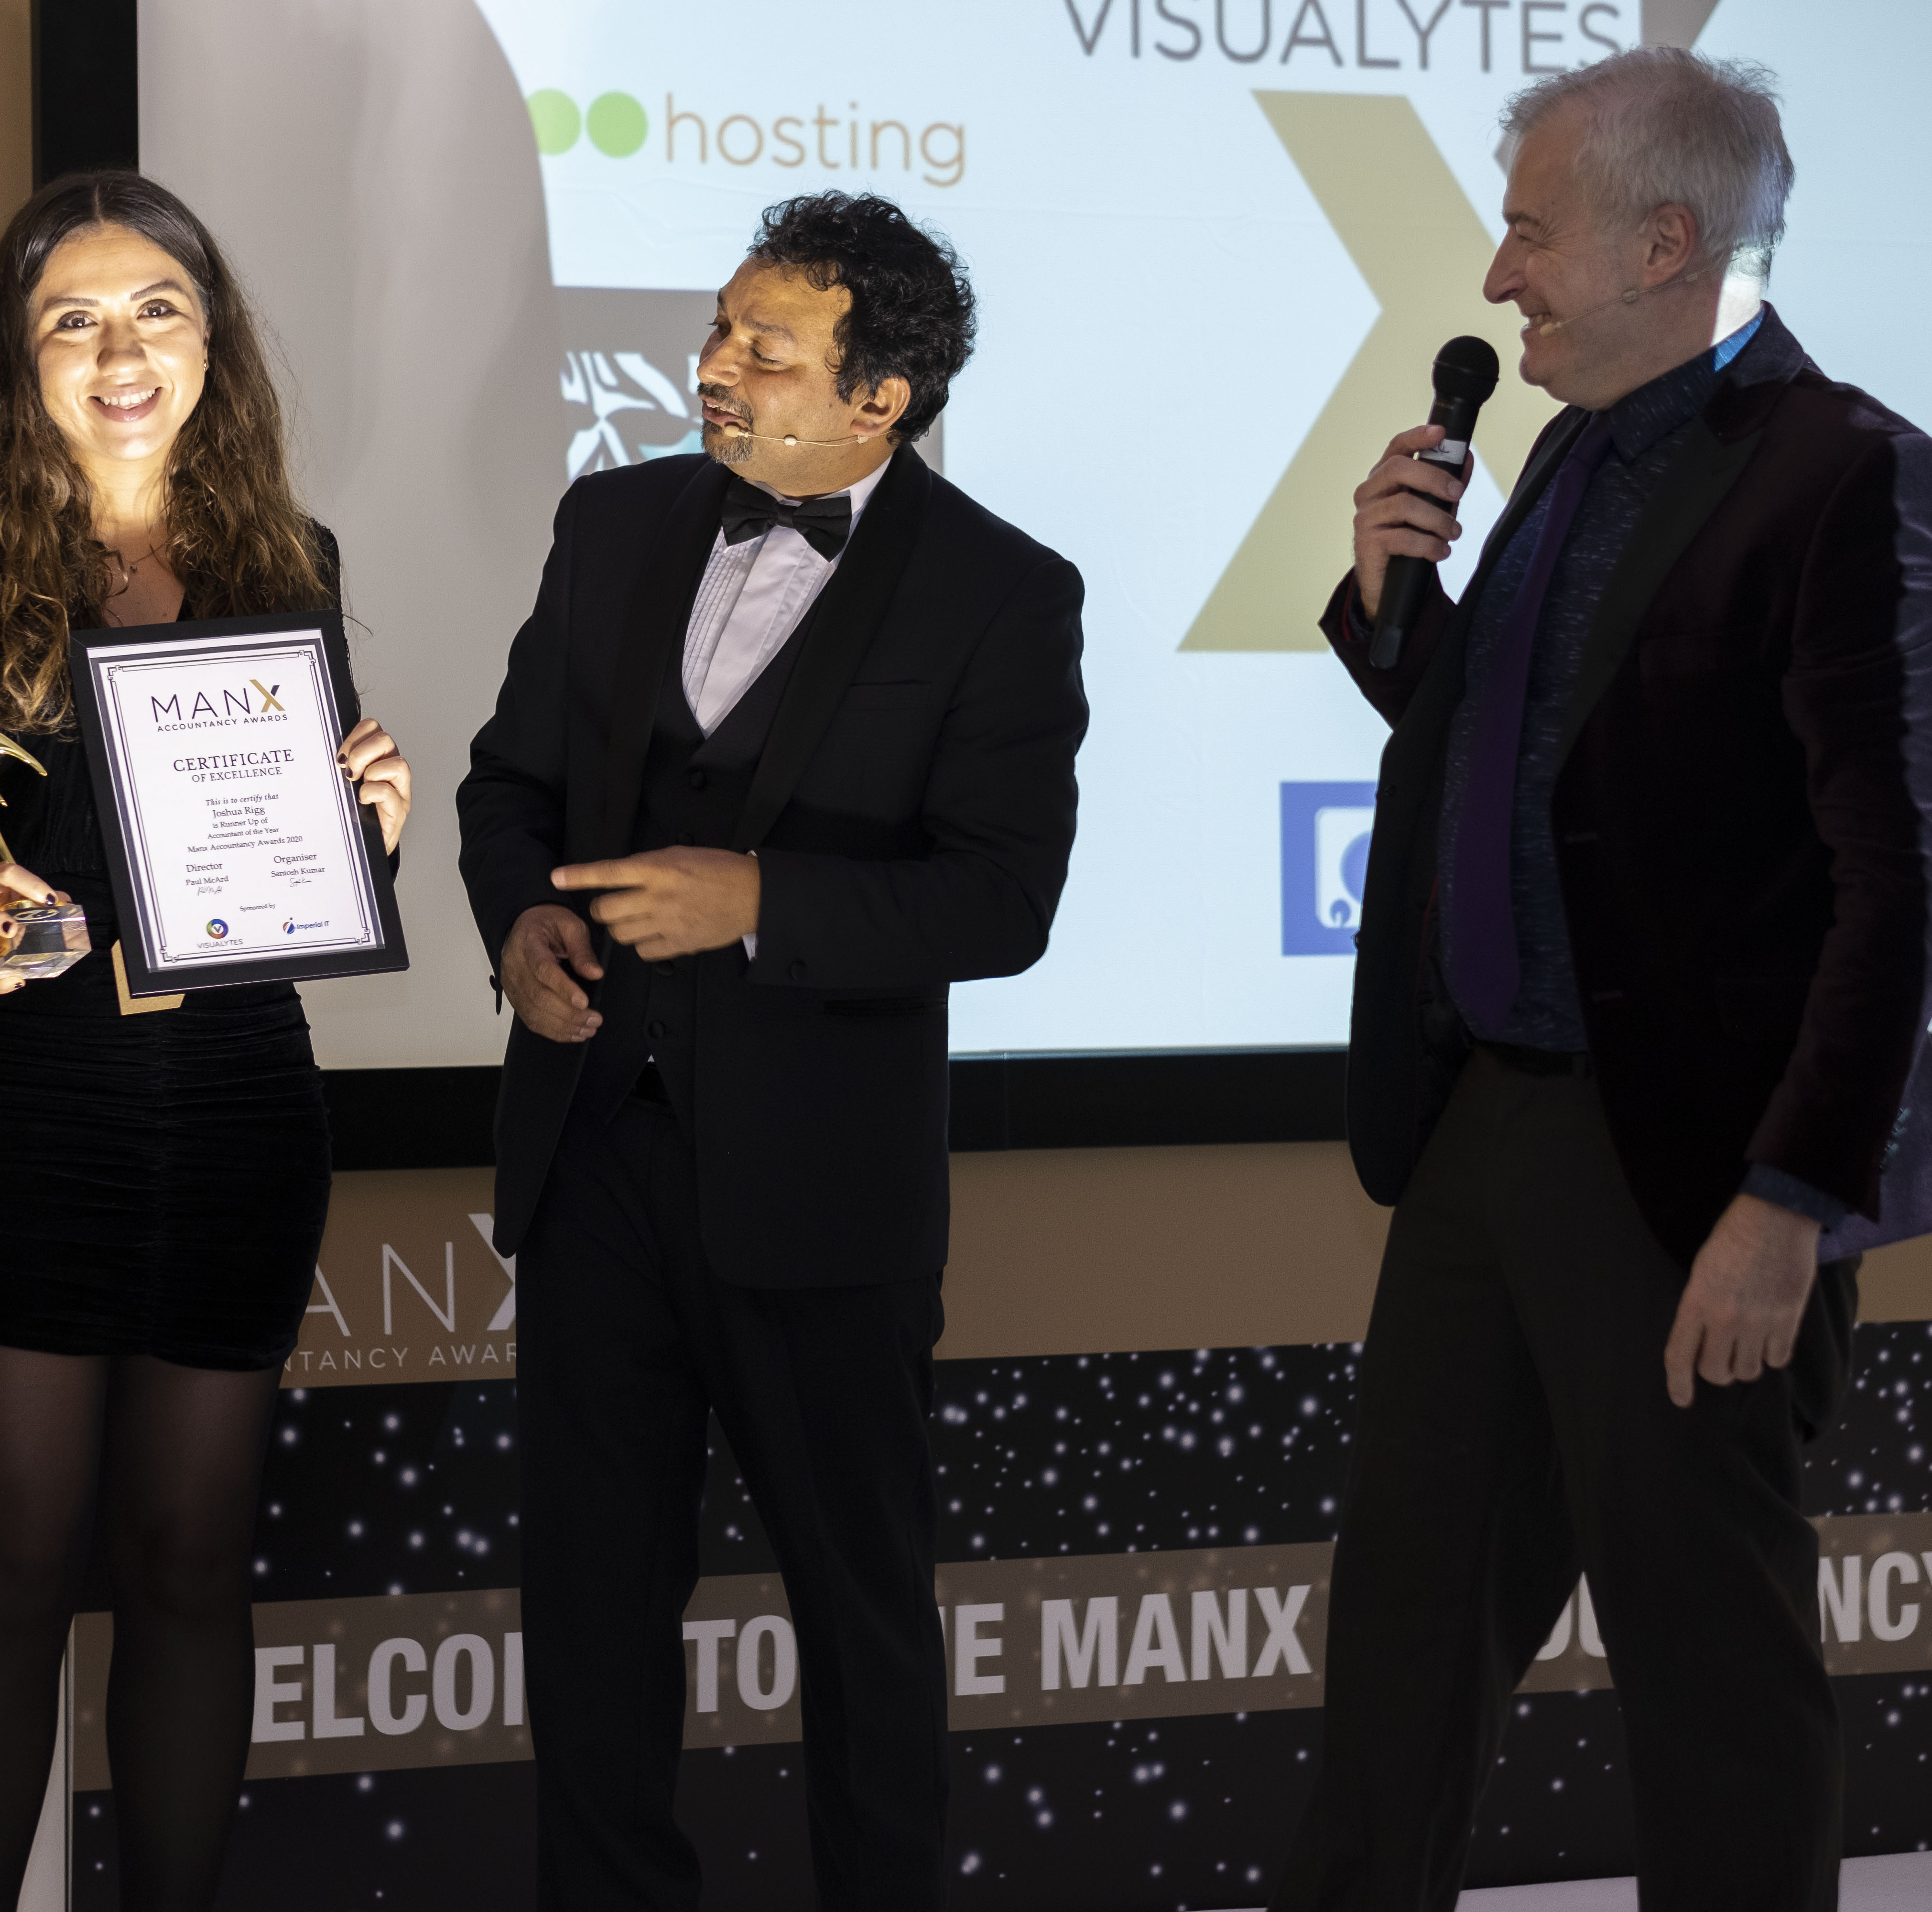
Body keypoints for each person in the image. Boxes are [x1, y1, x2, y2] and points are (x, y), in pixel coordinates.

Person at [1272, 49, 1932, 1912]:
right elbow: (1533, 762)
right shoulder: (1574, 446)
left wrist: (1790, 1198)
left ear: (1667, 243)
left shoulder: (1852, 474)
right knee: (1403, 1641)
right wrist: (1392, 611)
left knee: (1709, 1673)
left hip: (1695, 1169)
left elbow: (1900, 880)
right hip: (1487, 1131)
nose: (1497, 278)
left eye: (1529, 233)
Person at [457, 192, 1089, 1909]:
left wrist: (761, 901)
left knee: (861, 1618)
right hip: (593, 1153)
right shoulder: (610, 521)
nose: (714, 366)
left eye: (764, 347)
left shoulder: (1003, 591)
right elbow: (508, 785)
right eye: (721, 330)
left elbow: (1003, 900)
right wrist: (517, 926)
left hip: (821, 1193)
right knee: (592, 1614)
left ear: (881, 397)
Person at [0, 171, 410, 1912]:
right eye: (72, 319)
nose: (120, 350)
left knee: (192, 1568)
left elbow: (281, 877)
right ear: (22, 360)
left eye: (158, 309)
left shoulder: (290, 561)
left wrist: (366, 834)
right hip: (14, 1106)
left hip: (238, 1103)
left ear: (214, 344)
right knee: (9, 1574)